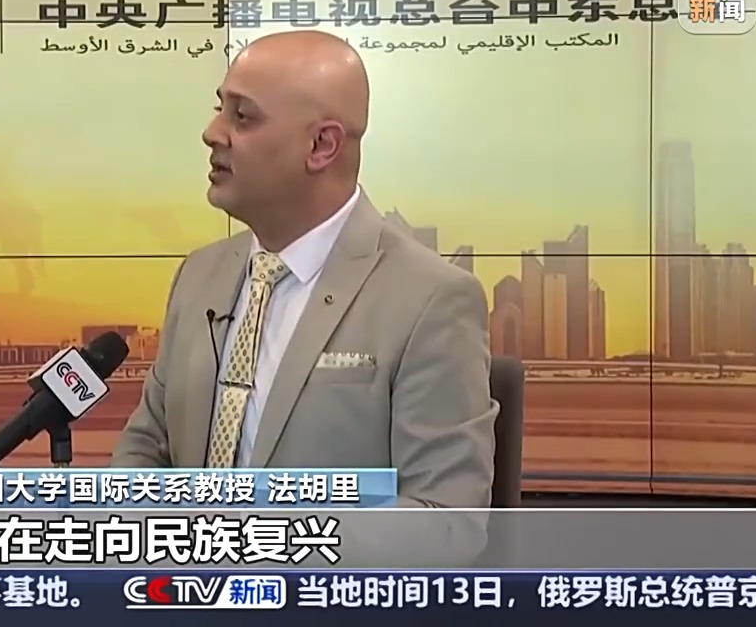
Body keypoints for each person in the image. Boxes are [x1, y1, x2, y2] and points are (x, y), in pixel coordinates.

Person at [112, 30, 498, 526]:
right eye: (219, 109)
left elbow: (446, 518)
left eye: (242, 116)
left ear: (321, 145)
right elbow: (148, 449)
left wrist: (262, 548)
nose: (212, 132)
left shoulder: (430, 298)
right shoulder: (198, 276)